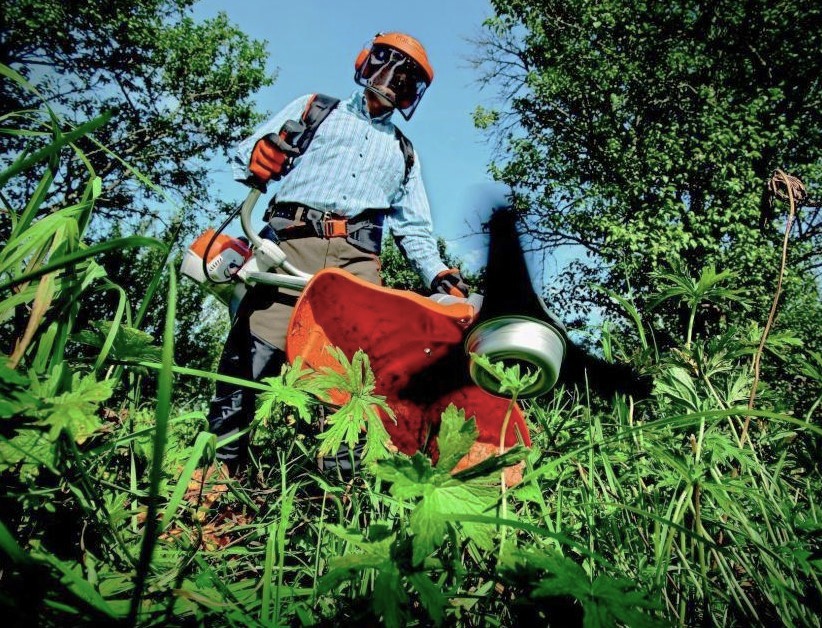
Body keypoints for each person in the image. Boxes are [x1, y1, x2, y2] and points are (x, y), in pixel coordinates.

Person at [207, 32, 469, 473]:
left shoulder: (404, 152)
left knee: (356, 376)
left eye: (406, 80)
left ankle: (336, 489)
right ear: (366, 62)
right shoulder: (316, 108)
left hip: (356, 261)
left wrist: (438, 274)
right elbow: (246, 155)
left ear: (413, 94)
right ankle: (215, 473)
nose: (392, 82)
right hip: (291, 242)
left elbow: (415, 229)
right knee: (252, 357)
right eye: (387, 66)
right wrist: (261, 154)